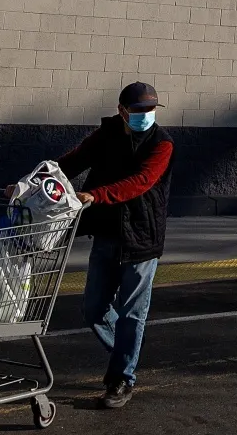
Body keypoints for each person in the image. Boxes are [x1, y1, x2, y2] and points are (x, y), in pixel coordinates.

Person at [58, 81, 175, 408]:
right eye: (138, 111)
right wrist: (34, 181)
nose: (145, 115)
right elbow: (74, 161)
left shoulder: (161, 144)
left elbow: (141, 182)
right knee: (93, 309)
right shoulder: (107, 134)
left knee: (132, 314)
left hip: (142, 238)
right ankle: (126, 354)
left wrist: (97, 195)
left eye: (151, 110)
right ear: (122, 111)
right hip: (108, 234)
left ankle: (122, 377)